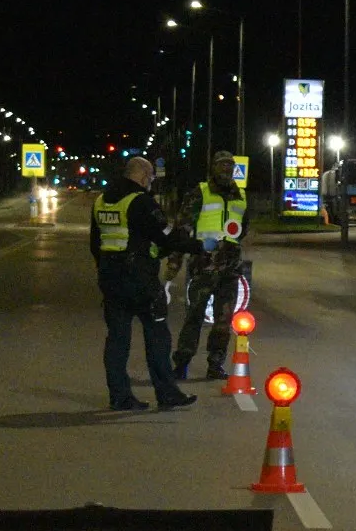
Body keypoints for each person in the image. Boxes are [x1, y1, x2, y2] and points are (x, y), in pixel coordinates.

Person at [90, 156, 206, 410]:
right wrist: (199, 246)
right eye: (151, 177)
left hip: (111, 281)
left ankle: (120, 397)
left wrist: (108, 271)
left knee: (117, 340)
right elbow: (165, 237)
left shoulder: (101, 201)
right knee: (157, 336)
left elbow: (95, 245)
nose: (151, 182)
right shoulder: (141, 202)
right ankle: (166, 393)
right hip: (140, 281)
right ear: (142, 175)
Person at [172, 151, 248, 380]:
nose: (226, 169)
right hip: (203, 265)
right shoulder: (200, 192)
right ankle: (182, 363)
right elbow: (182, 227)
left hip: (230, 267)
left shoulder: (241, 195)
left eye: (230, 166)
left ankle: (215, 364)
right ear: (213, 168)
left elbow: (243, 228)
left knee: (224, 320)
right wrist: (175, 259)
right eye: (222, 165)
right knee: (194, 316)